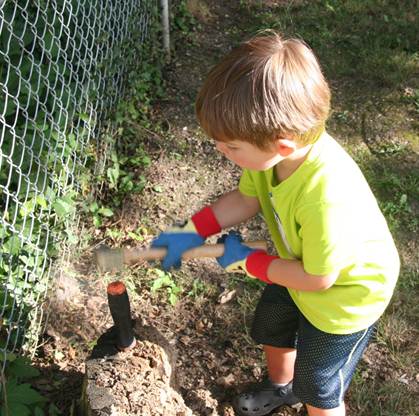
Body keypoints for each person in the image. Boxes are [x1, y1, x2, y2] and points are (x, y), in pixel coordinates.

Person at [151, 31, 400, 416]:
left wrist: (247, 261)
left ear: (282, 143)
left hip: (344, 297)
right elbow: (246, 199)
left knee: (318, 383)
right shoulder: (274, 159)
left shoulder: (327, 197)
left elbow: (319, 279)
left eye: (232, 147)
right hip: (295, 265)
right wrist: (192, 230)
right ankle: (281, 389)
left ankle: (308, 398)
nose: (222, 152)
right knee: (271, 325)